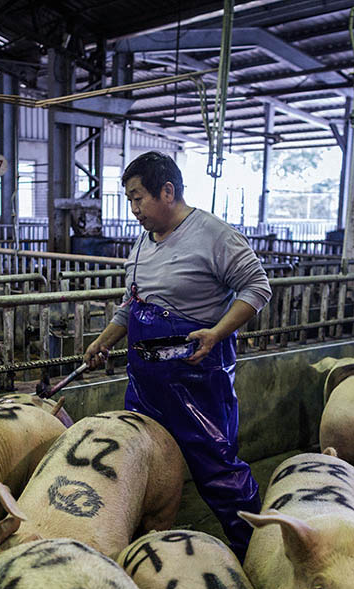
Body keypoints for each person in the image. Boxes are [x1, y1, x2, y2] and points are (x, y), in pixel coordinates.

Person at [83, 151, 271, 559]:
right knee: (140, 461)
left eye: (139, 198)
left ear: (167, 191)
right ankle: (137, 551)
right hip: (147, 378)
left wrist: (218, 333)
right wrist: (106, 340)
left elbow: (257, 288)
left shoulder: (213, 234)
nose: (134, 210)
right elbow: (131, 303)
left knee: (215, 468)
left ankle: (259, 552)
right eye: (130, 200)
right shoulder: (143, 241)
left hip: (195, 375)